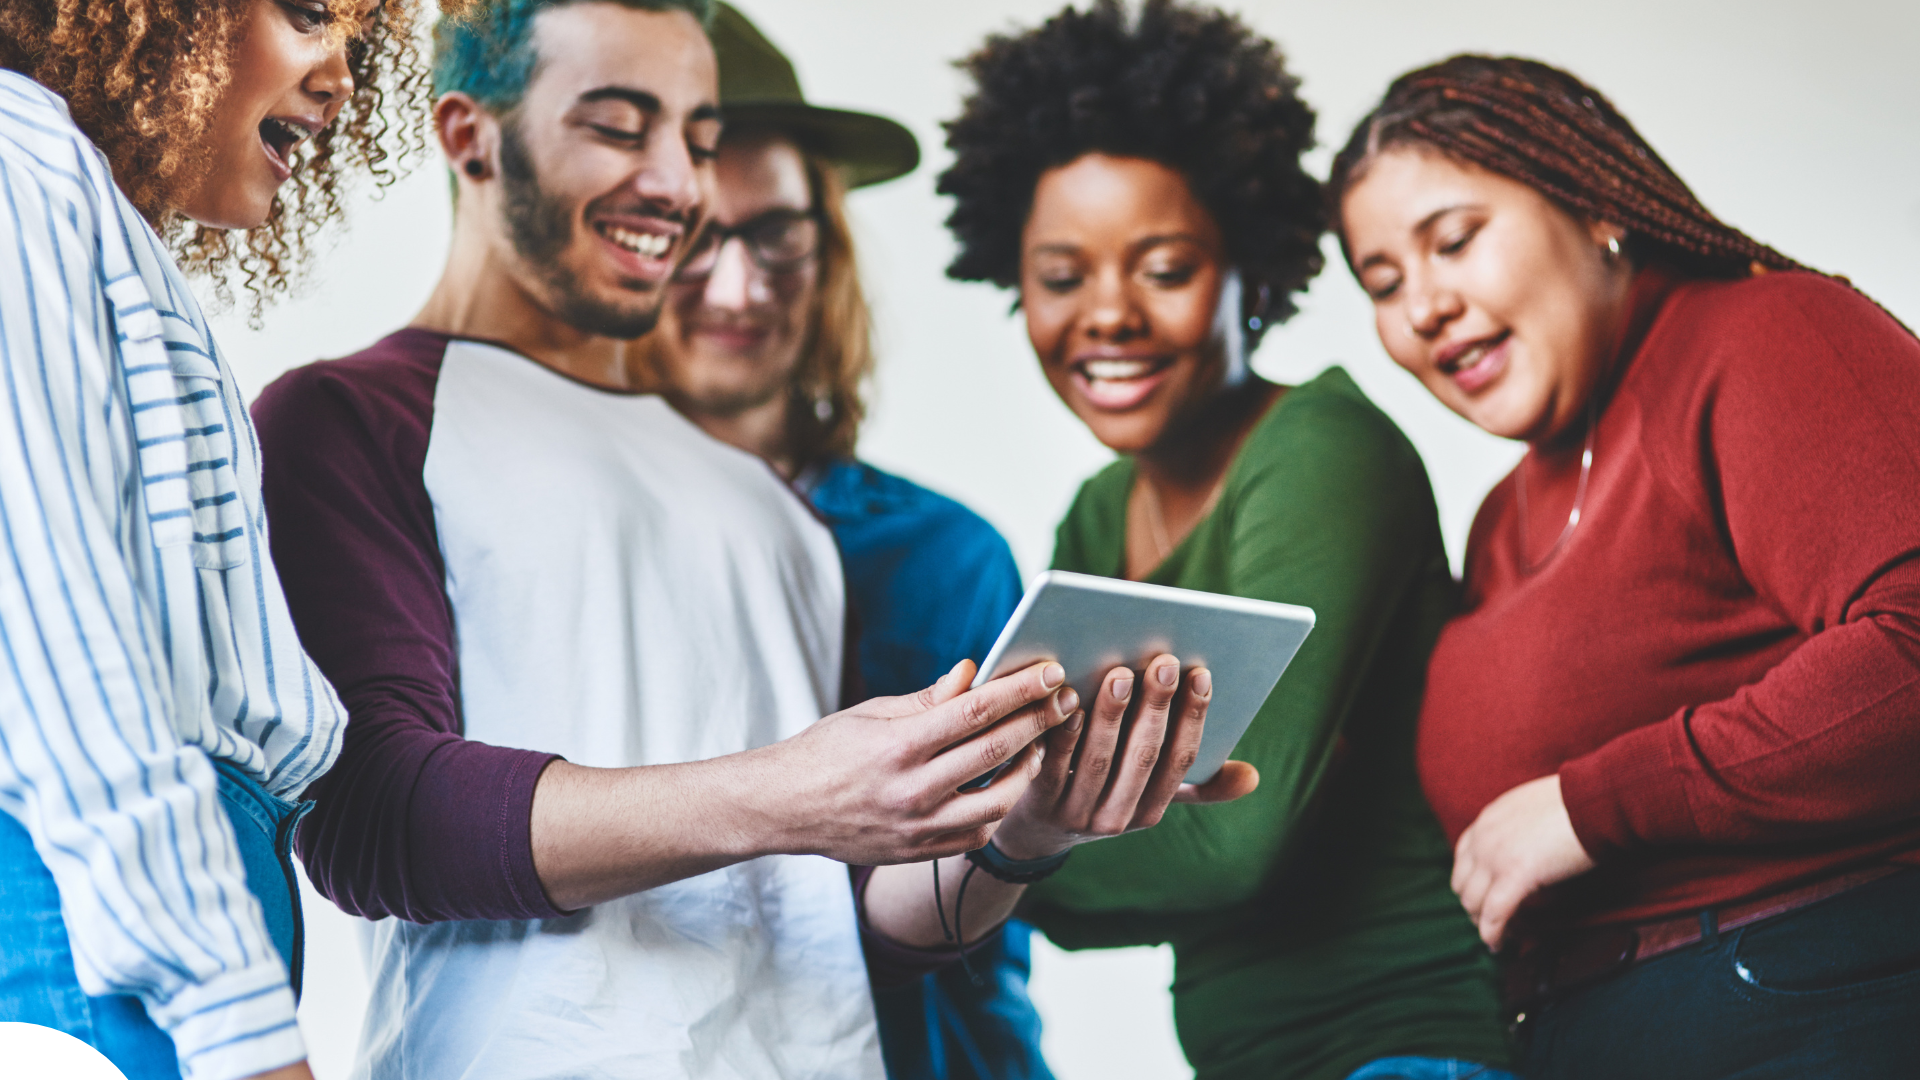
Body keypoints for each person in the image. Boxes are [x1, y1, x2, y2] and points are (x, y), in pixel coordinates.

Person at [249, 2, 1244, 1077]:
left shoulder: (773, 507)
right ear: (468, 137)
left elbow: (839, 933)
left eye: (700, 141)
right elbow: (374, 822)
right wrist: (789, 791)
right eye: (622, 127)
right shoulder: (350, 417)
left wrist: (1023, 833)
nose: (680, 184)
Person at [938, 4, 1515, 1080]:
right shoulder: (1098, 514)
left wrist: (1022, 847)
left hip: (1408, 1044)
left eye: (1164, 268)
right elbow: (1076, 863)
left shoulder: (1323, 450)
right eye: (1063, 278)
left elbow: (1234, 847)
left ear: (1254, 270)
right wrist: (1050, 835)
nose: (1107, 315)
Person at [1331, 54, 1920, 1079]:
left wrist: (1589, 806)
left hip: (1802, 1001)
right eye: (1384, 283)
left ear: (1594, 206)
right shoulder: (1504, 517)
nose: (1423, 305)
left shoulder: (1761, 334)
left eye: (1455, 241)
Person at [0, 1, 442, 1078]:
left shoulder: (87, 209)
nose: (340, 75)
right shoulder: (20, 161)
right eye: (305, 12)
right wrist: (235, 1021)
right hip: (93, 934)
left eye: (357, 35)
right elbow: (54, 634)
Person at [641, 7, 1053, 1079]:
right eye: (692, 235)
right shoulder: (549, 536)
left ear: (826, 243)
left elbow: (973, 918)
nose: (741, 287)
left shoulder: (947, 552)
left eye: (777, 230)